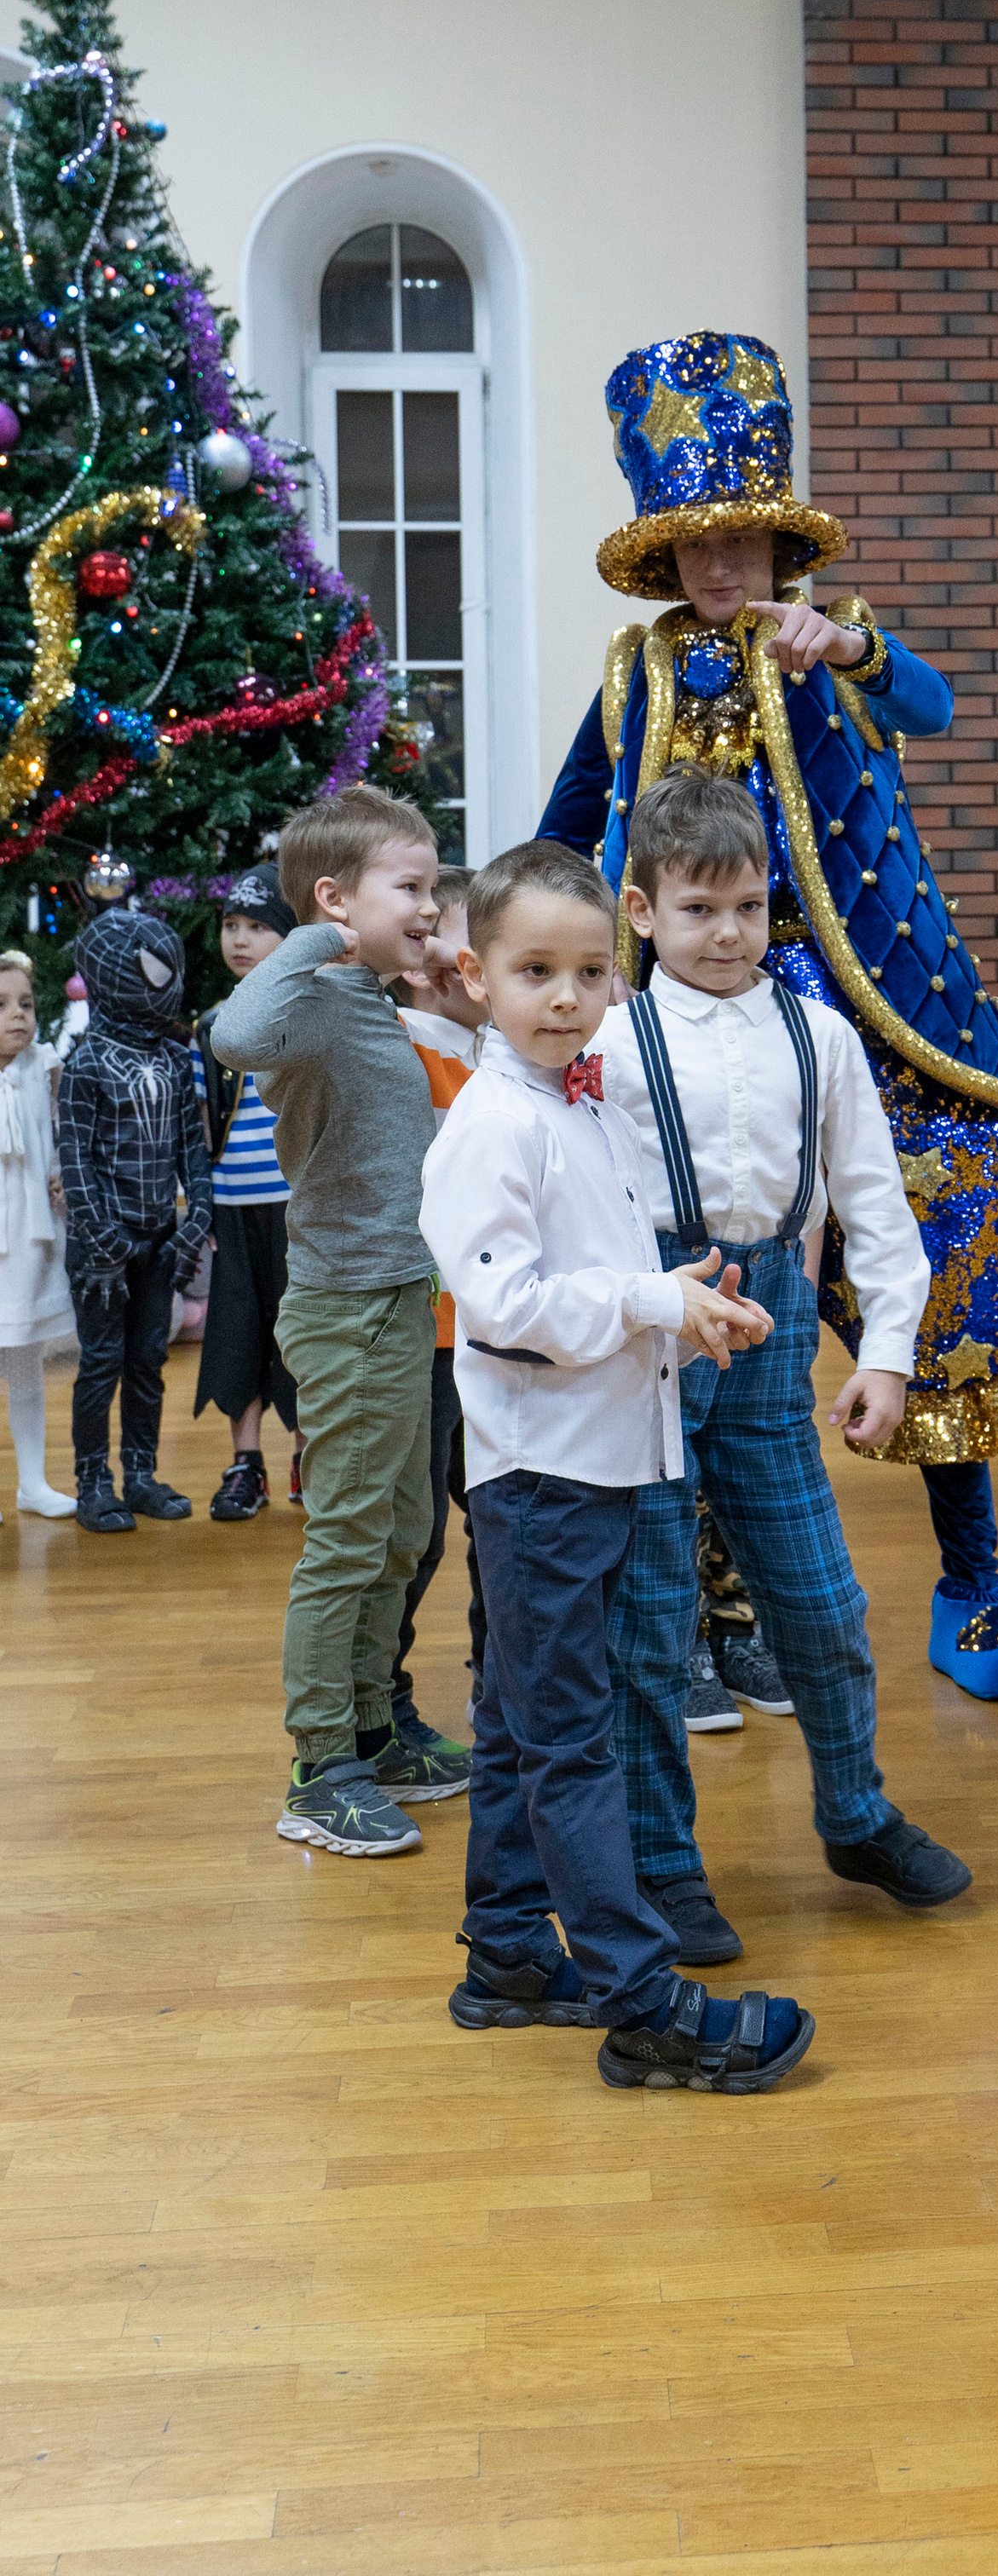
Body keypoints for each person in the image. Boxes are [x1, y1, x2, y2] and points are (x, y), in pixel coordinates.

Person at [538, 330, 998, 1707]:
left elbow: (938, 704)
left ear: (782, 547)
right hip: (693, 1021)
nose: (723, 567)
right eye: (697, 545)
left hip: (877, 1010)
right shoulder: (633, 676)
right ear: (666, 557)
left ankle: (969, 1573)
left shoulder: (833, 645)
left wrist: (851, 646)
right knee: (718, 1291)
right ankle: (720, 1605)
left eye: (745, 541)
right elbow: (564, 836)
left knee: (946, 1246)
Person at [418, 838, 814, 2094]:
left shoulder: (568, 1101)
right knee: (572, 1738)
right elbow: (502, 1307)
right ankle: (643, 2006)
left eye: (591, 971)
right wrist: (648, 1302)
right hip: (541, 1476)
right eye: (535, 969)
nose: (566, 995)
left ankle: (510, 1956)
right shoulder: (490, 1124)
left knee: (516, 1719)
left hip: (583, 1461)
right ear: (477, 976)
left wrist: (680, 1305)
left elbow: (596, 1268)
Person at [597, 766, 977, 1932]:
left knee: (822, 1605)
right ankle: (661, 1863)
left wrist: (890, 1354)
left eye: (748, 908)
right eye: (698, 909)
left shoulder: (820, 1037)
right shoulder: (607, 1040)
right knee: (649, 1623)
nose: (726, 933)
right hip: (646, 1351)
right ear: (644, 911)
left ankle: (855, 1815)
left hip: (771, 1345)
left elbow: (873, 1205)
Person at [211, 785, 468, 1854]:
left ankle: (375, 1725)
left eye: (432, 883)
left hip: (403, 1299)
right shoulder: (312, 996)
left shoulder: (371, 998)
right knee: (349, 1542)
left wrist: (424, 965)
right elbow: (231, 1034)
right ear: (333, 900)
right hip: (345, 1307)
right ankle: (321, 1770)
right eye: (409, 887)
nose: (429, 903)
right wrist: (323, 933)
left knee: (401, 1530)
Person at [55, 906, 211, 1531]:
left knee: (148, 1359)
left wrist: (195, 1221)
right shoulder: (86, 1063)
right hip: (103, 1252)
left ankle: (140, 1474)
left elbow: (192, 1153)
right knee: (100, 1362)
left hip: (161, 1240)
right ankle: (93, 1481)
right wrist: (102, 1237)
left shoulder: (175, 1062)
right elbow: (76, 1161)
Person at [389, 866, 487, 1758]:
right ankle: (381, 1710)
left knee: (504, 1523)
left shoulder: (494, 1051)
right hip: (427, 1336)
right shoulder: (399, 1048)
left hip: (497, 1337)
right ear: (428, 962)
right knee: (409, 1535)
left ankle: (506, 1694)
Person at [191, 869, 300, 1522]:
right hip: (232, 1208)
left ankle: (306, 1458)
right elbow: (202, 1125)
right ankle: (245, 1462)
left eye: (257, 927)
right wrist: (200, 1204)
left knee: (302, 1333)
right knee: (237, 1331)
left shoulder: (305, 1013)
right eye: (232, 926)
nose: (240, 938)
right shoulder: (212, 1026)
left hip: (299, 1209)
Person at [0, 947, 76, 1520]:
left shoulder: (43, 1068)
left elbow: (56, 1140)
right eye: (1, 1005)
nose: (17, 1015)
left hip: (29, 1241)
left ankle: (32, 1483)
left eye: (25, 1003)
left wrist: (61, 1182)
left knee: (24, 1359)